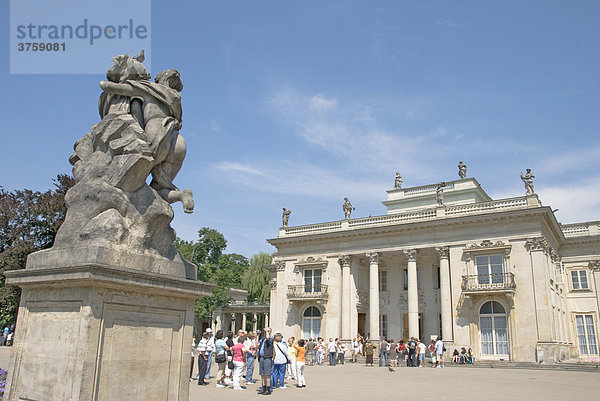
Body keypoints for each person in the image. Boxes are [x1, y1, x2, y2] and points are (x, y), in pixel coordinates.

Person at [258, 328, 274, 395]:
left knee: (267, 374)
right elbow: (257, 344)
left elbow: (268, 338)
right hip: (261, 357)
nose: (265, 332)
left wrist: (267, 331)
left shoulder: (271, 338)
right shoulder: (263, 339)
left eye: (267, 331)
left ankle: (268, 388)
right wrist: (257, 336)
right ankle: (263, 388)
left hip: (267, 357)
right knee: (262, 374)